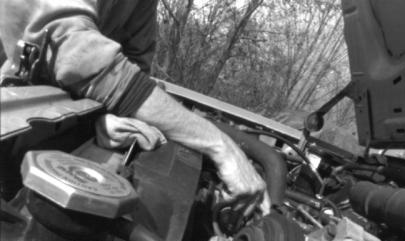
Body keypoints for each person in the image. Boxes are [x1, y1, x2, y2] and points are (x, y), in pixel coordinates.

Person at [0, 0, 270, 213]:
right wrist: (220, 146)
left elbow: (135, 62)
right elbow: (70, 48)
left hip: (51, 121)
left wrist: (106, 113)